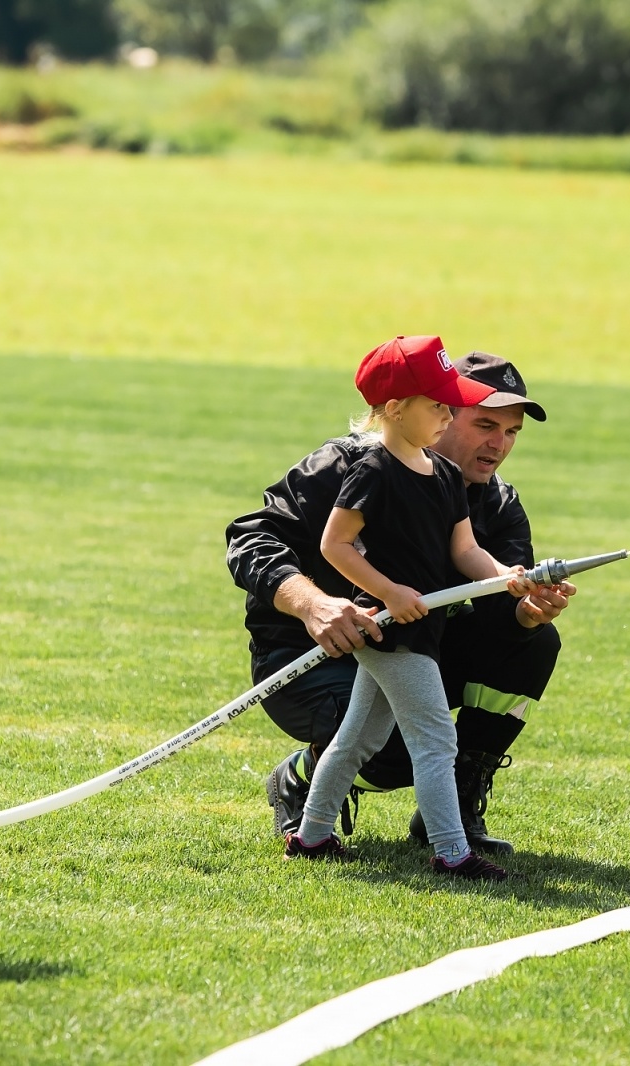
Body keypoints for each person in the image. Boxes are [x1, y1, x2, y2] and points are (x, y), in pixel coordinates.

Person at [226, 351, 572, 856]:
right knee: (394, 750)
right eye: (485, 424)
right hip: (309, 658)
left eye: (512, 431)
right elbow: (250, 538)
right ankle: (300, 777)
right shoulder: (350, 466)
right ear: (437, 408)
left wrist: (526, 609)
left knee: (534, 643)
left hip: (412, 649)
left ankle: (456, 802)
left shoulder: (495, 501)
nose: (499, 445)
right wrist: (313, 604)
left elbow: (497, 606)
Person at [286, 335, 534, 881]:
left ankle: (310, 836)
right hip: (391, 629)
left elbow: (465, 550)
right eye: (438, 405)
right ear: (396, 410)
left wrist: (504, 576)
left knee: (358, 739)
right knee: (436, 740)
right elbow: (335, 546)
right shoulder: (372, 471)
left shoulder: (444, 476)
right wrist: (390, 592)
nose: (448, 414)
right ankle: (452, 852)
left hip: (422, 627)